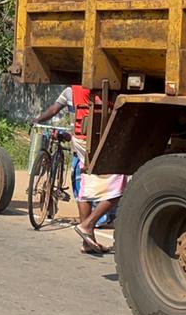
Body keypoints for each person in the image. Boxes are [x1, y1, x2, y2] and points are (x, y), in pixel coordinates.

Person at [33, 85, 125, 254]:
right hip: (97, 139)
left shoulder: (71, 90)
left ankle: (87, 241)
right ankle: (87, 224)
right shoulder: (101, 87)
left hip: (80, 139)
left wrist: (37, 120)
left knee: (86, 185)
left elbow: (54, 109)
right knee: (118, 185)